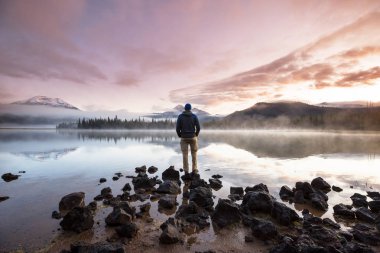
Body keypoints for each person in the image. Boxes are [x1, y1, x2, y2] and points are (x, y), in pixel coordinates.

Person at [176, 103, 200, 174]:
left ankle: (186, 171)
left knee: (185, 154)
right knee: (194, 154)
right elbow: (198, 128)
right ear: (190, 109)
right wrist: (196, 135)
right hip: (193, 137)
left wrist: (180, 135)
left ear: (185, 109)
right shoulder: (194, 116)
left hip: (184, 137)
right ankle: (194, 169)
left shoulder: (180, 116)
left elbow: (177, 128)